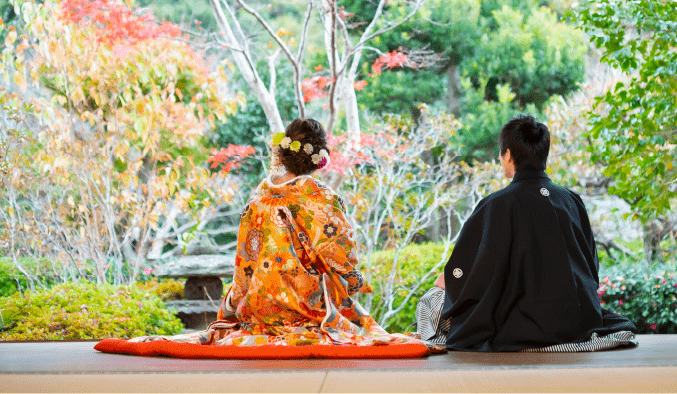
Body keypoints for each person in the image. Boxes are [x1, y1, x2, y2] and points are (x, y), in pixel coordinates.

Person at [133, 118, 430, 349]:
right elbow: (341, 254)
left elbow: (244, 263)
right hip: (308, 309)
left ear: (283, 151)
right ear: (319, 156)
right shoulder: (320, 199)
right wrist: (352, 280)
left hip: (259, 311)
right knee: (351, 318)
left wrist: (236, 305)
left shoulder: (257, 201)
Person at [416, 115, 637, 352]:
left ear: (508, 155)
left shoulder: (496, 205)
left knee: (431, 301)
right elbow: (590, 266)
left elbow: (478, 272)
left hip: (521, 325)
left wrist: (450, 280)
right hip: (578, 321)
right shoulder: (572, 200)